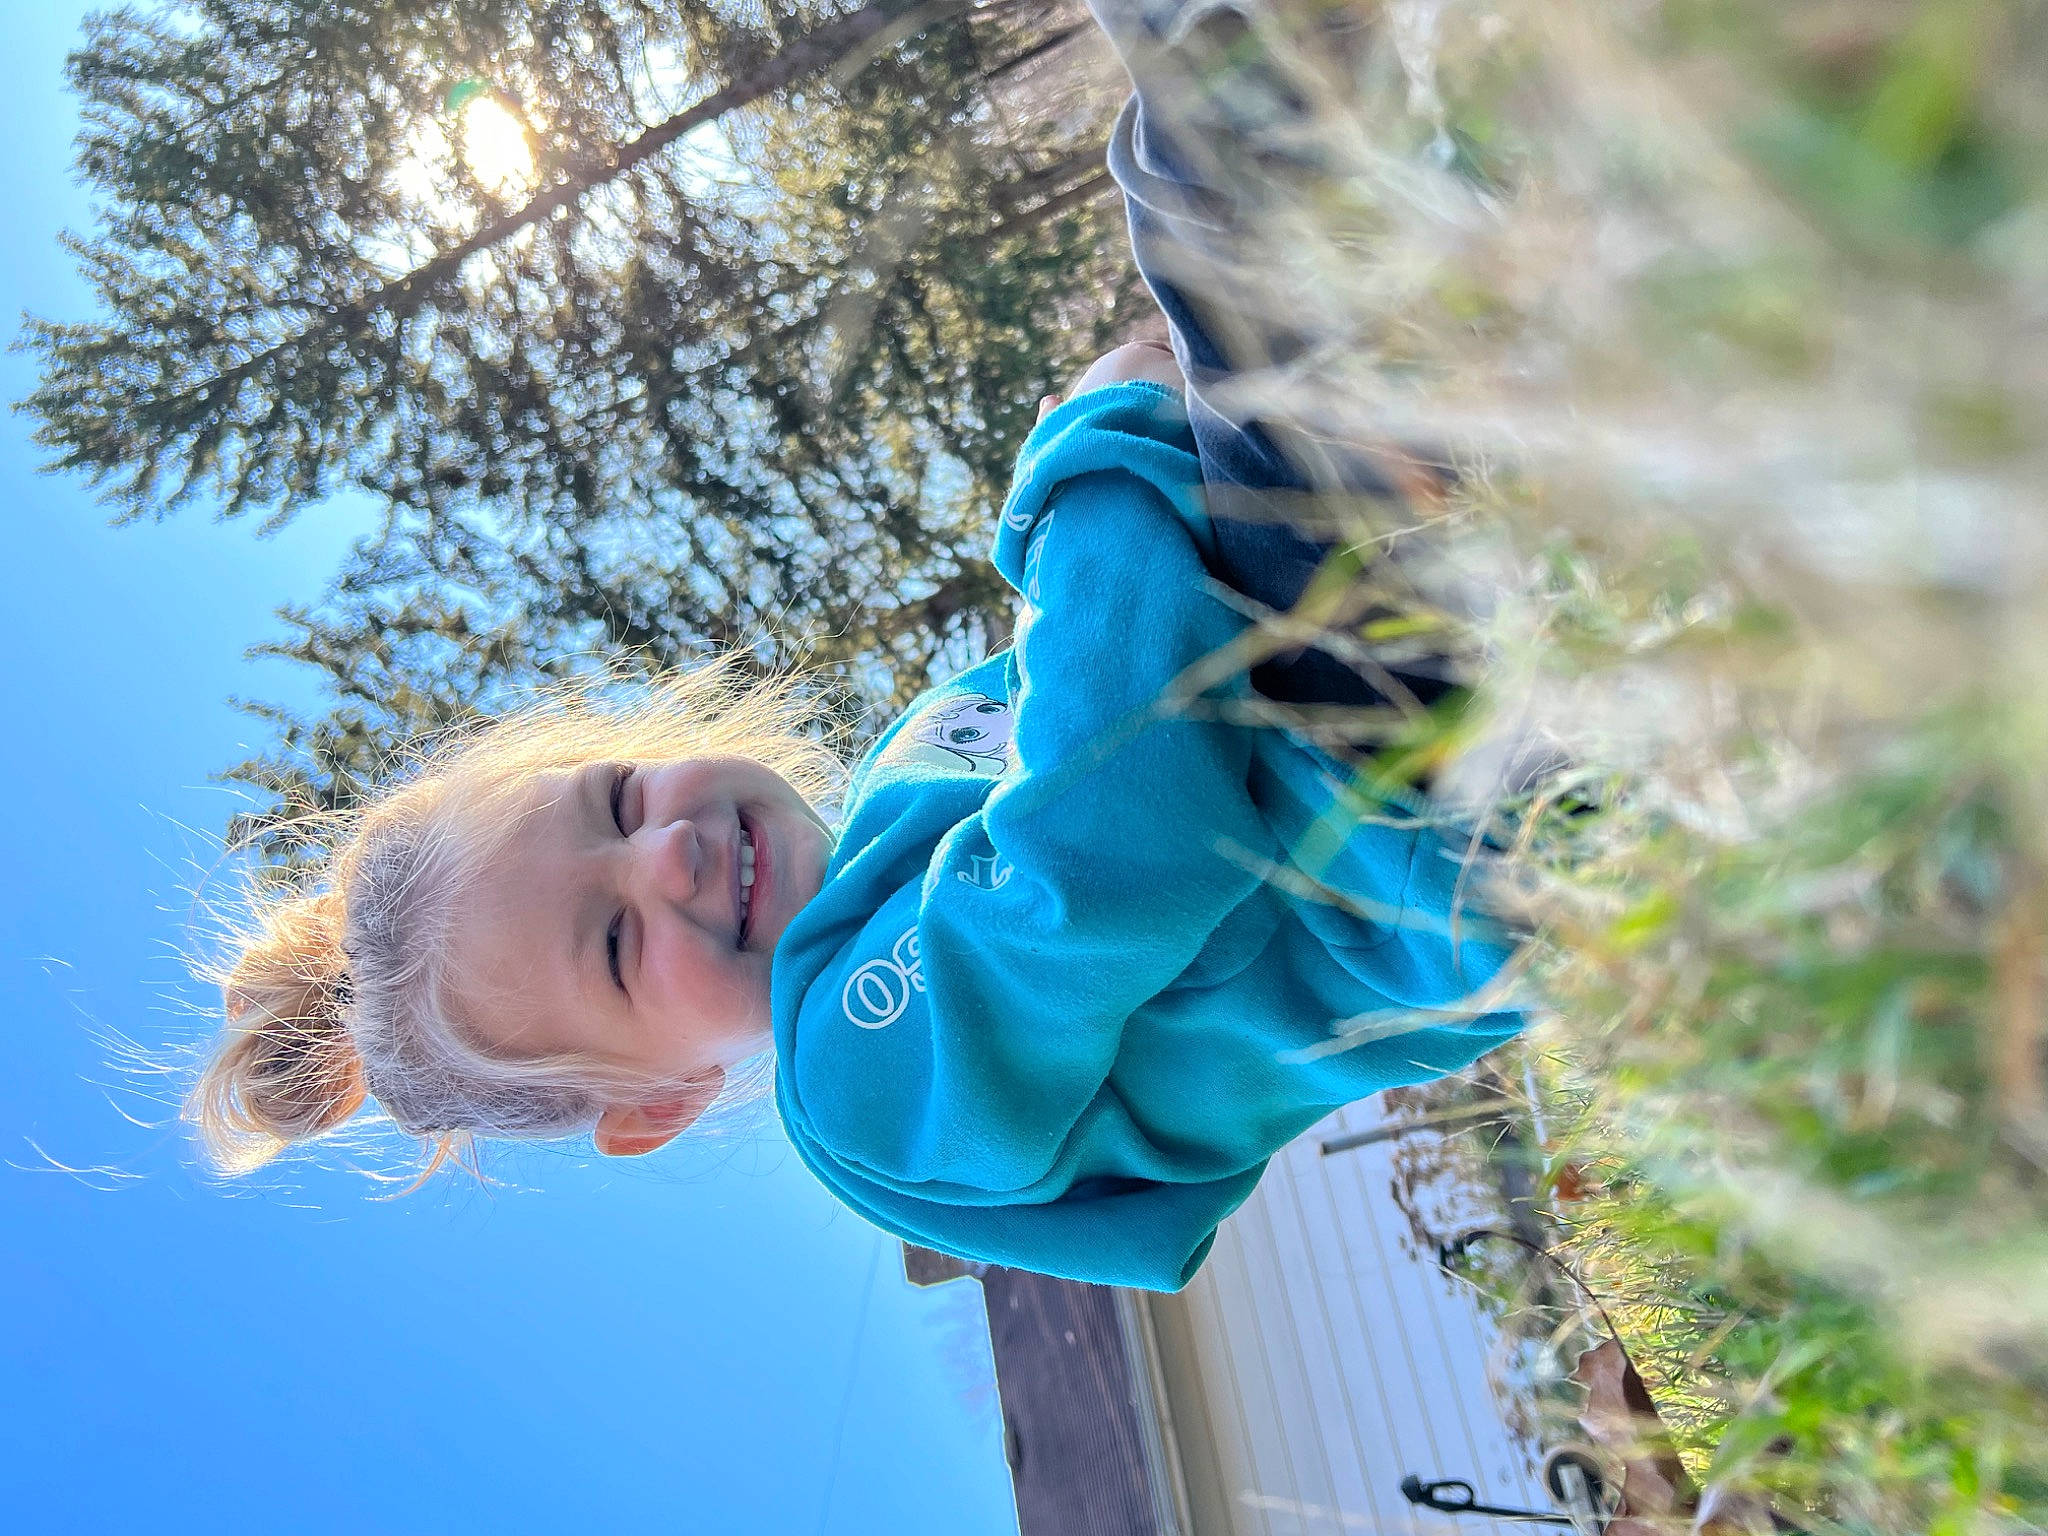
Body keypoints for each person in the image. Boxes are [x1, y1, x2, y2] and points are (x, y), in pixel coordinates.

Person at [186, 1, 1531, 1293]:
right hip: (1412, 831)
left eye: (617, 800)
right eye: (614, 944)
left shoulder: (913, 767)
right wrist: (1092, 473)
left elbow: (1123, 652)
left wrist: (1134, 462)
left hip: (1348, 700)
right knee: (1221, 173)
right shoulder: (859, 1088)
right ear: (659, 1102)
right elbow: (1112, 852)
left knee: (1334, 214)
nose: (666, 853)